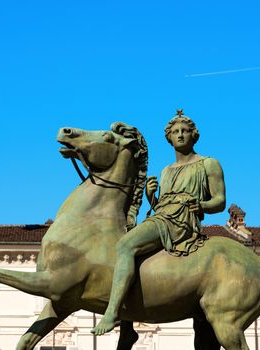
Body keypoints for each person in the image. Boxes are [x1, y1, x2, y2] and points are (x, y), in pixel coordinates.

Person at [91, 109, 226, 335]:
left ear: (194, 135)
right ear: (169, 138)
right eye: (175, 132)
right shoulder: (166, 171)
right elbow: (161, 206)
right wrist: (152, 197)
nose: (181, 135)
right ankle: (128, 327)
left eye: (185, 131)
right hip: (162, 216)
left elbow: (220, 201)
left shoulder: (209, 164)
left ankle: (113, 312)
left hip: (182, 221)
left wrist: (201, 205)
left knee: (125, 245)